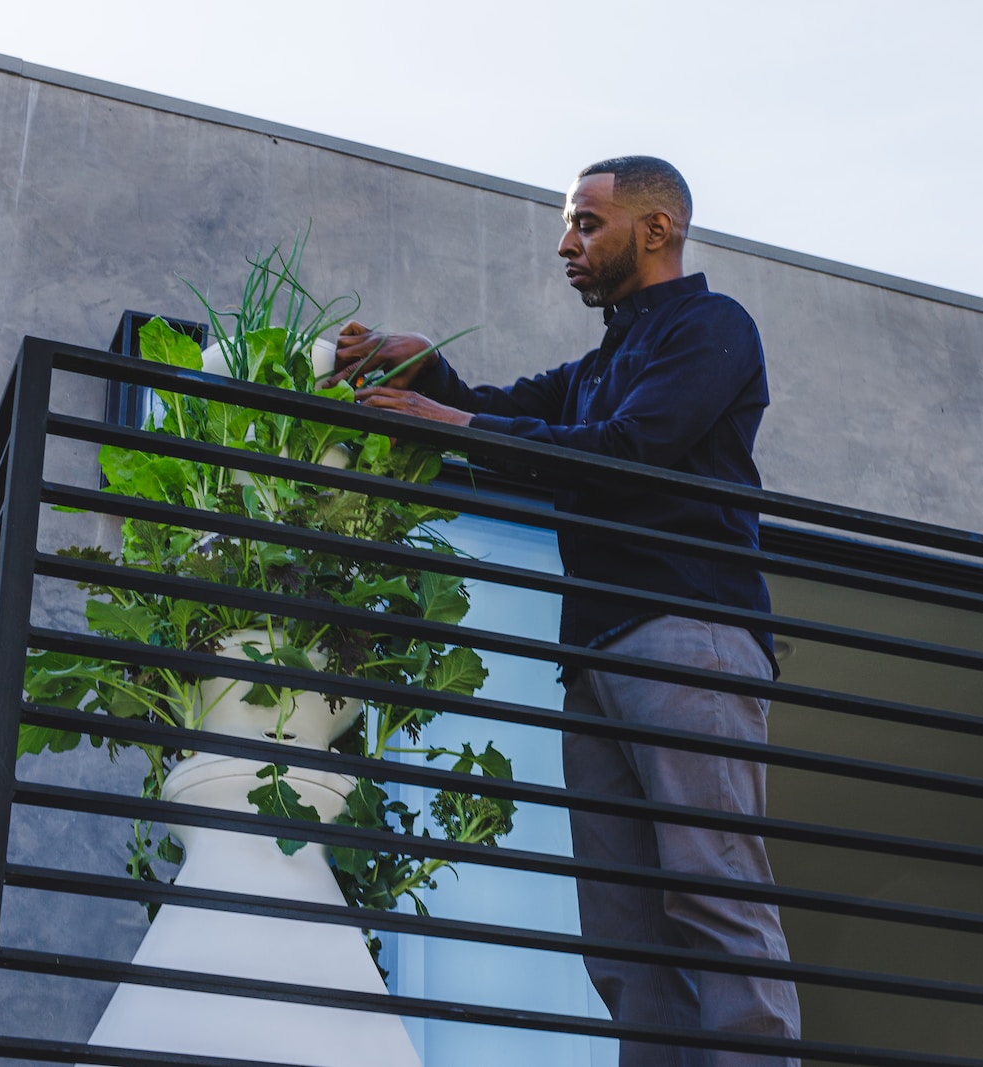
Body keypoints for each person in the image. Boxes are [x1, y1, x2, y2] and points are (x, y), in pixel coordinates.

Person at [327, 156, 801, 1066]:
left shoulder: (713, 327)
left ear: (655, 230)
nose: (566, 242)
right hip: (594, 656)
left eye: (586, 221)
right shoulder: (596, 366)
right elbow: (492, 414)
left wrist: (452, 420)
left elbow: (630, 449)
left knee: (713, 889)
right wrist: (426, 368)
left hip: (688, 633)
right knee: (619, 928)